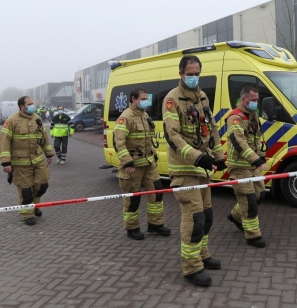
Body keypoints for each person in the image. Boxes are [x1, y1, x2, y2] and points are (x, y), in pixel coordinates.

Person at [162, 55, 226, 287]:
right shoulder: (172, 99)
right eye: (190, 74)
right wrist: (197, 157)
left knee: (207, 217)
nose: (194, 77)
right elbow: (173, 136)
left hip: (202, 171)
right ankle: (191, 267)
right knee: (195, 217)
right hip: (184, 170)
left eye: (197, 73)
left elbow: (212, 128)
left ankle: (202, 254)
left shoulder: (202, 97)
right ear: (181, 74)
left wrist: (218, 156)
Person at [114, 88, 171, 240]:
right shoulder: (125, 117)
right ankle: (132, 228)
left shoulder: (144, 115)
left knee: (157, 192)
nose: (146, 101)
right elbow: (119, 142)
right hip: (133, 167)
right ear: (133, 99)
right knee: (133, 198)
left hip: (148, 163)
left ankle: (155, 225)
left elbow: (147, 140)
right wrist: (127, 162)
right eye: (143, 98)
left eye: (147, 98)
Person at [0, 96, 54, 225]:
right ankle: (27, 214)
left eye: (32, 104)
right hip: (21, 164)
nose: (32, 106)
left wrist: (49, 154)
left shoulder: (37, 119)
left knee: (42, 185)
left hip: (38, 160)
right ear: (21, 106)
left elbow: (44, 138)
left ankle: (34, 206)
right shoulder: (12, 121)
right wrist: (6, 162)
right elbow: (4, 142)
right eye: (29, 104)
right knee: (26, 191)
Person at [225, 86, 267, 248]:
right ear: (244, 100)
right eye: (254, 100)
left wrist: (260, 155)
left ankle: (236, 216)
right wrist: (256, 159)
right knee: (248, 200)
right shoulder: (235, 117)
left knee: (260, 195)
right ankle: (253, 235)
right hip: (239, 166)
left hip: (252, 164)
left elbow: (256, 138)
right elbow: (239, 141)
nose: (256, 103)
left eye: (257, 100)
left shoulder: (253, 115)